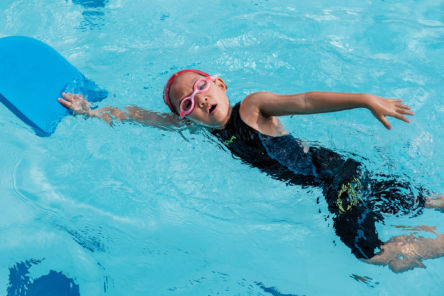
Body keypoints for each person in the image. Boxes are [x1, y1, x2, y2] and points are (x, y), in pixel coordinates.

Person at [58, 69, 444, 273]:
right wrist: (91, 112)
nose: (200, 99)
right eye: (187, 103)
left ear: (221, 84)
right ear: (185, 117)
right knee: (418, 200)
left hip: (333, 178)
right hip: (340, 173)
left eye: (202, 87)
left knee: (372, 255)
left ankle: (425, 244)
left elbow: (307, 100)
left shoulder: (253, 108)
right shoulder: (199, 127)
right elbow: (143, 117)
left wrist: (364, 100)